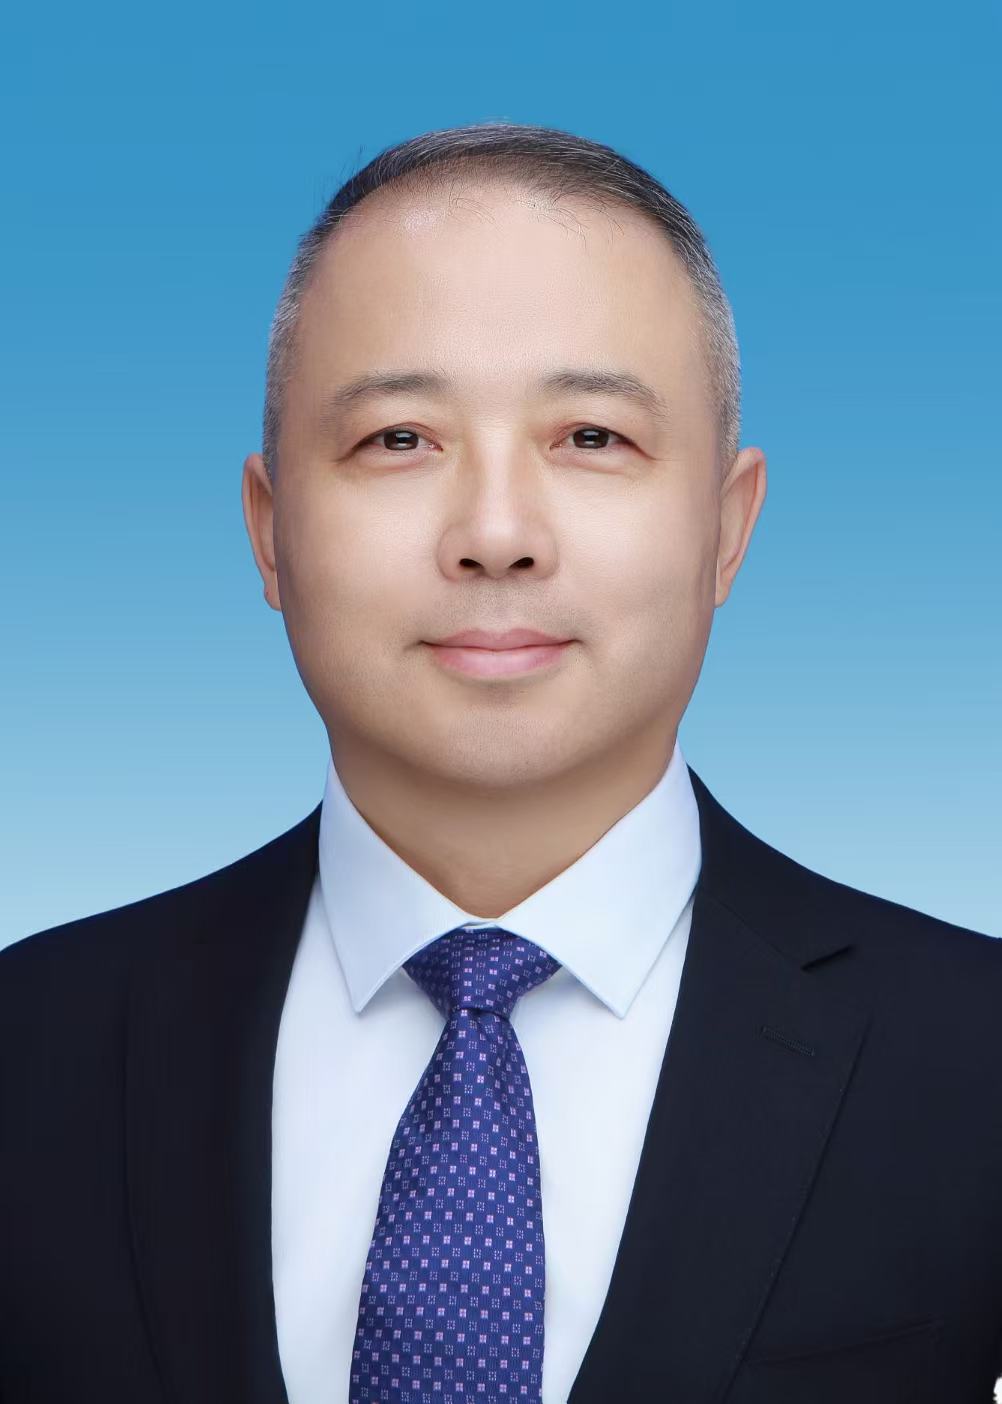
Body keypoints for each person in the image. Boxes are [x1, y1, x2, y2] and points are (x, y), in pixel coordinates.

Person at [2, 121, 1000, 1404]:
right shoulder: (31, 1048)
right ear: (269, 531)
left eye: (591, 437)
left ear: (726, 528)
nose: (494, 533)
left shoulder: (973, 1058)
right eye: (398, 439)